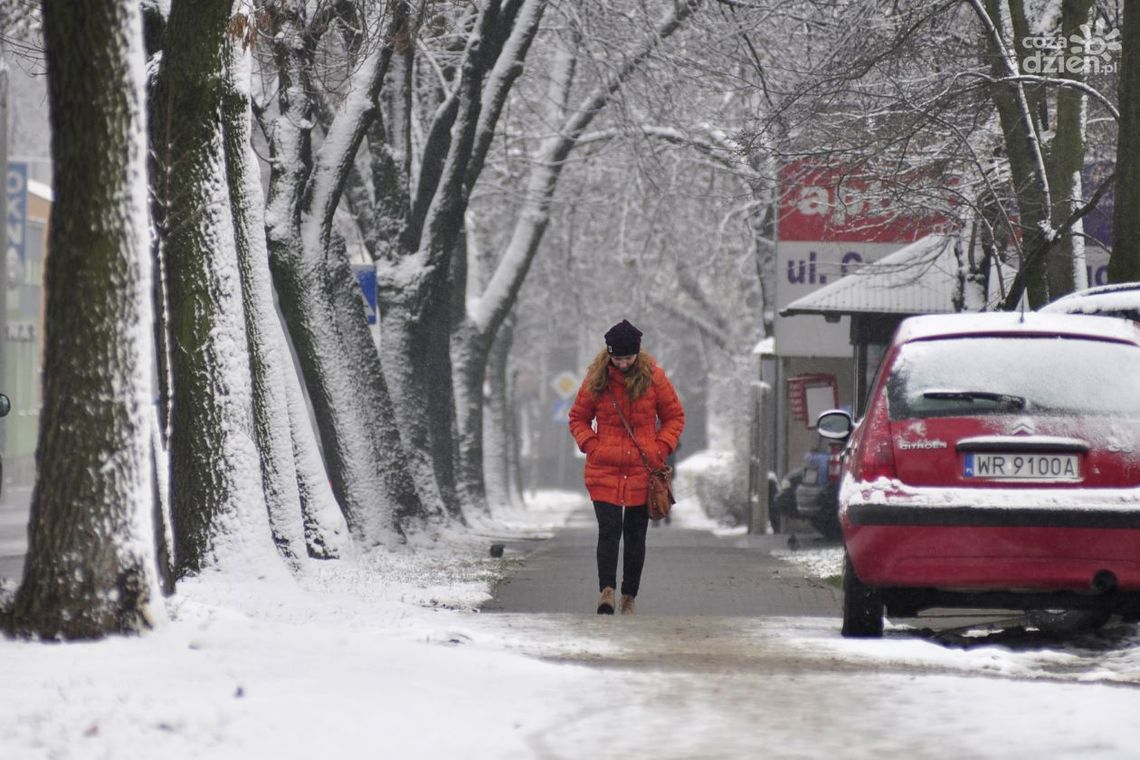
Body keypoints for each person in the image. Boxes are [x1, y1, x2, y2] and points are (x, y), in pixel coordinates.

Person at [568, 319, 685, 615]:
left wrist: (660, 448)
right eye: (617, 358)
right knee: (609, 531)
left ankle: (629, 596)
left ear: (637, 353)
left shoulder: (655, 378)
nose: (622, 364)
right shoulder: (597, 380)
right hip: (604, 469)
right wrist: (592, 446)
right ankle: (606, 591)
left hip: (642, 472)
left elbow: (674, 417)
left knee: (635, 537)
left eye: (628, 358)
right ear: (609, 355)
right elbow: (578, 418)